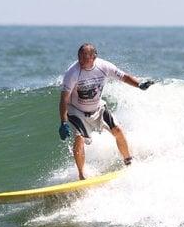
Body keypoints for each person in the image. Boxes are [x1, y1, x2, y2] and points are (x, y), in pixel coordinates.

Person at [58, 43, 154, 180]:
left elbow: (124, 77)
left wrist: (139, 84)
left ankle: (129, 161)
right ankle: (81, 175)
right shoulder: (72, 73)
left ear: (93, 57)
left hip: (98, 108)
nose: (81, 62)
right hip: (76, 111)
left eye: (84, 58)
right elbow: (64, 100)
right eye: (79, 58)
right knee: (79, 138)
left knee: (118, 130)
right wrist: (63, 122)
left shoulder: (103, 66)